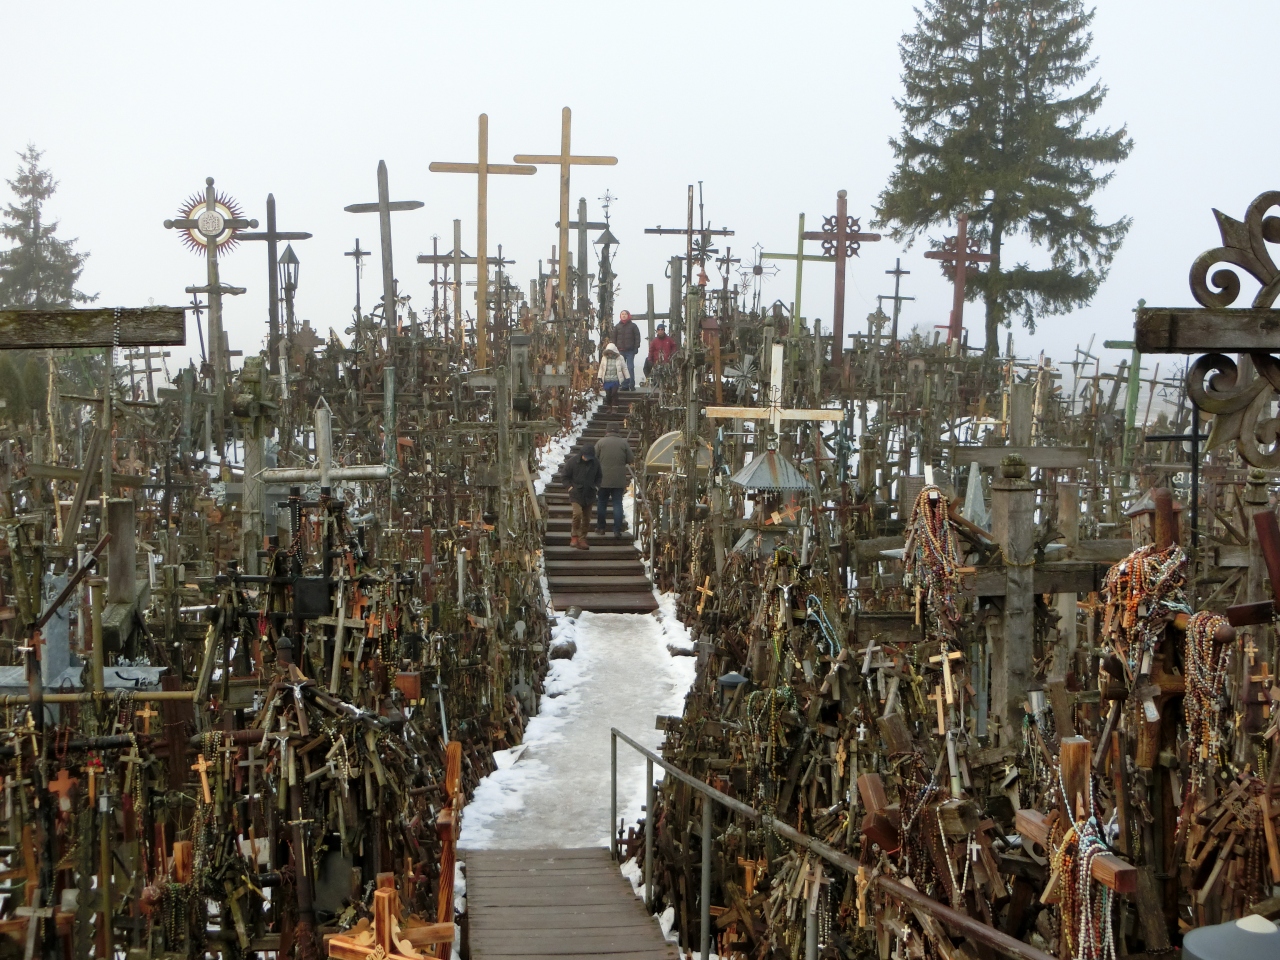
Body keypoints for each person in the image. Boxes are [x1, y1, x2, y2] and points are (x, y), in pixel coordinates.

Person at [594, 421, 633, 540]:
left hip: (603, 479)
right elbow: (631, 459)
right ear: (618, 431)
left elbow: (594, 458)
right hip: (618, 480)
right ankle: (617, 530)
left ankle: (601, 528)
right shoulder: (623, 443)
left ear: (607, 431)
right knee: (617, 504)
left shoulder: (600, 442)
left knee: (601, 503)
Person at [564, 444, 601, 550]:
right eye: (586, 456)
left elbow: (599, 476)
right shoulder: (572, 462)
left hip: (590, 494)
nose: (587, 458)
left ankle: (582, 539)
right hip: (576, 494)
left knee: (587, 518)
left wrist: (596, 487)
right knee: (577, 514)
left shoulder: (595, 463)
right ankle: (574, 536)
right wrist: (570, 488)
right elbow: (565, 476)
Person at [613, 309, 641, 390]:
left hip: (630, 351)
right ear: (620, 316)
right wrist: (614, 349)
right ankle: (624, 385)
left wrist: (636, 347)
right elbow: (613, 339)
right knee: (621, 368)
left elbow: (637, 337)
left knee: (630, 367)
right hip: (620, 351)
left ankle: (631, 384)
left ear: (628, 315)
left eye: (625, 314)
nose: (624, 315)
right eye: (622, 314)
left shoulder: (633, 326)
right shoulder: (617, 327)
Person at [597, 342, 627, 409]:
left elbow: (624, 367)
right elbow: (601, 368)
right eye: (608, 352)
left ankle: (614, 407)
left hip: (615, 380)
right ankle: (609, 407)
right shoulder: (604, 358)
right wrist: (599, 376)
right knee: (608, 395)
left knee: (614, 393)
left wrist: (627, 376)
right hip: (607, 380)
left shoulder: (619, 358)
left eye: (611, 352)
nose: (610, 354)